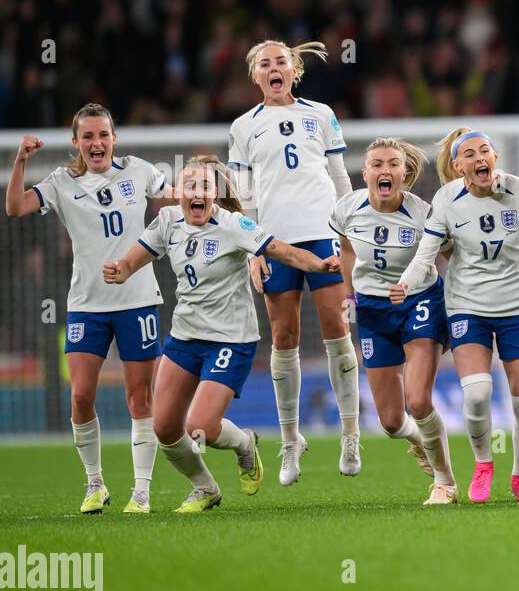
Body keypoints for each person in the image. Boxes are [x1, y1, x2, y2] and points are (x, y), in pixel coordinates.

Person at [102, 156, 341, 512]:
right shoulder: (168, 221)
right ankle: (205, 487)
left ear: (216, 193)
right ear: (178, 193)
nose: (196, 194)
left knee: (201, 426)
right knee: (166, 428)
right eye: (189, 186)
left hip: (231, 339)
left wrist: (319, 265)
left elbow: (281, 250)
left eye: (204, 187)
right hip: (184, 337)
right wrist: (121, 269)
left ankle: (244, 443)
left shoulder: (234, 225)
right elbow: (135, 257)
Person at [394, 127, 519, 503]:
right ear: (458, 165)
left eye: (485, 151)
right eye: (471, 154)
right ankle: (482, 464)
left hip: (518, 307)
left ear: (496, 157)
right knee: (477, 395)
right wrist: (405, 283)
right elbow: (426, 255)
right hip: (467, 307)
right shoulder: (446, 200)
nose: (480, 159)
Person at [5, 104, 169, 514]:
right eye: (88, 137)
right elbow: (15, 208)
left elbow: (176, 200)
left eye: (103, 135)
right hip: (86, 305)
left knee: (139, 398)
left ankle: (142, 492)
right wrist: (20, 161)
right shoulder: (61, 181)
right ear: (76, 143)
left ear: (115, 139)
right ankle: (95, 483)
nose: (97, 143)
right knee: (80, 396)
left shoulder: (140, 171)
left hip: (138, 301)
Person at [228, 40, 359, 484]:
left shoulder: (320, 114)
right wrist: (253, 250)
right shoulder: (244, 127)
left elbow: (340, 176)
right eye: (264, 63)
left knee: (336, 329)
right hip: (274, 242)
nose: (273, 68)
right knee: (283, 337)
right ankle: (290, 442)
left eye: (281, 61)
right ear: (255, 76)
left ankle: (350, 433)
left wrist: (348, 237)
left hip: (322, 234)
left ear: (294, 70)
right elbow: (244, 196)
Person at [333, 138, 457, 505]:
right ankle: (418, 440)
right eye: (376, 164)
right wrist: (348, 298)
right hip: (372, 310)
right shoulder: (347, 208)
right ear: (366, 171)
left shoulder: (423, 213)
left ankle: (445, 482)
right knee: (390, 421)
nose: (384, 171)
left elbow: (450, 254)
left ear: (405, 173)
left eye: (392, 164)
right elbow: (347, 251)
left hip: (420, 303)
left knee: (418, 401)